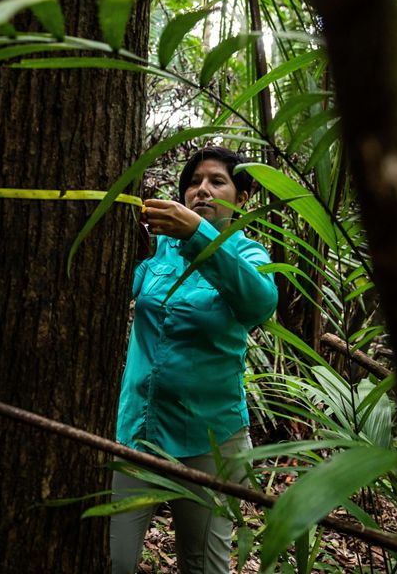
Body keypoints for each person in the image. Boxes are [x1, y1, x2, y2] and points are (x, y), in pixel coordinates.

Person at [111, 146, 278, 574]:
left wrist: (198, 235)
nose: (201, 189)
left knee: (204, 567)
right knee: (111, 558)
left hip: (211, 442)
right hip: (138, 431)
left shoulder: (251, 255)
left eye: (216, 181)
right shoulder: (159, 249)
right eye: (194, 182)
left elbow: (259, 304)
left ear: (243, 199)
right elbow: (117, 286)